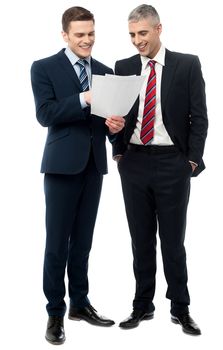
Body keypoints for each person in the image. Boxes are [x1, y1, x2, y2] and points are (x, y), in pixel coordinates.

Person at [31, 6, 125, 345]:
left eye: (91, 34)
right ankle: (55, 312)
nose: (87, 40)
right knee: (57, 244)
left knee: (82, 243)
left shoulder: (104, 70)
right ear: (65, 36)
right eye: (80, 35)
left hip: (93, 167)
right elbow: (45, 114)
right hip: (60, 166)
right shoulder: (43, 68)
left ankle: (80, 304)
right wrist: (84, 98)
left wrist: (115, 128)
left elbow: (107, 123)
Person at [113, 4, 208, 335]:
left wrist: (191, 161)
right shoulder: (123, 67)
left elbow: (200, 117)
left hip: (173, 163)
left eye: (142, 33)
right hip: (134, 161)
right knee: (140, 240)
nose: (137, 41)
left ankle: (180, 308)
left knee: (173, 241)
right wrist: (119, 152)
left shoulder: (186, 64)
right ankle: (142, 306)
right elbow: (116, 115)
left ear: (158, 29)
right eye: (132, 35)